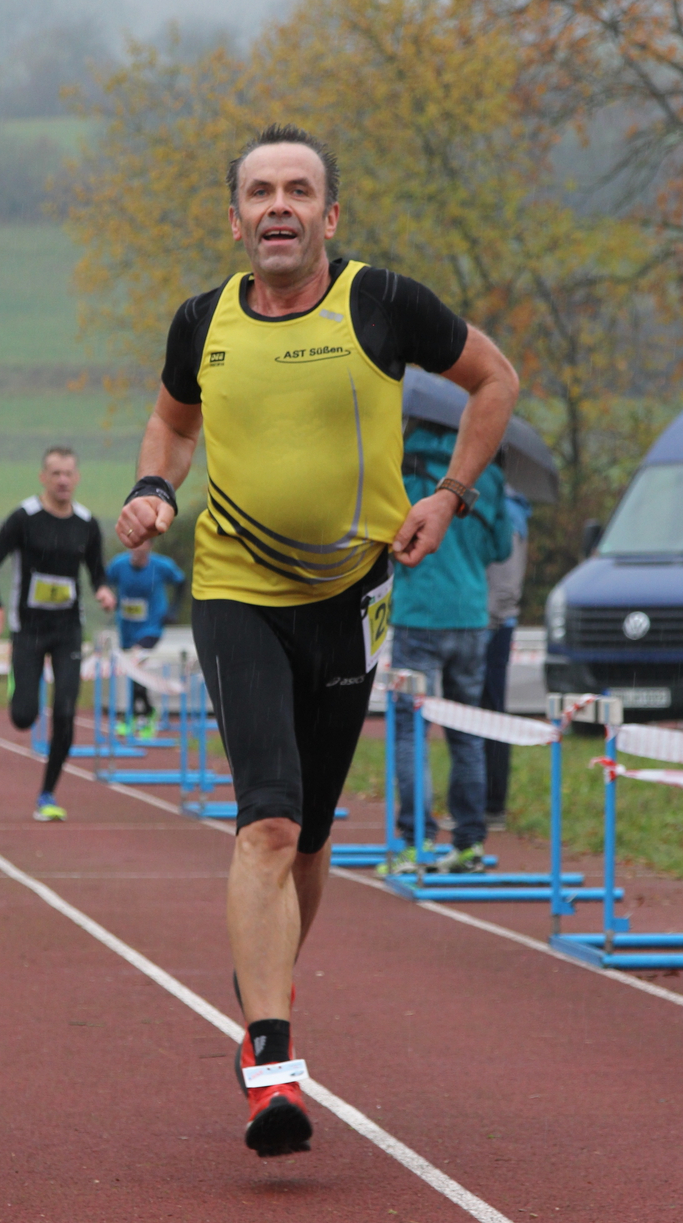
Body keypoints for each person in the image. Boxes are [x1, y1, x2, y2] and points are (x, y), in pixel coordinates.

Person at [116, 122, 518, 1158]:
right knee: (269, 822)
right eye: (261, 192)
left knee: (313, 839)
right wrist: (155, 486)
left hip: (352, 599)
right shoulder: (201, 321)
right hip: (236, 590)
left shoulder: (382, 302)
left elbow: (496, 381)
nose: (279, 206)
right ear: (237, 219)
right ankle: (271, 1065)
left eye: (299, 190)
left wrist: (451, 495)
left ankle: (269, 981)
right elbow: (174, 425)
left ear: (329, 215)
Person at [386, 423, 512, 874]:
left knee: (409, 730)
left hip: (418, 613)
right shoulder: (487, 473)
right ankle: (470, 843)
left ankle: (416, 841)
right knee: (467, 731)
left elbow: (387, 539)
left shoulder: (402, 469)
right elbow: (501, 547)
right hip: (471, 615)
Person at [0, 448, 115, 821]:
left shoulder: (86, 523)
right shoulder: (24, 518)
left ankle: (47, 793)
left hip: (67, 629)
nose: (63, 480)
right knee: (24, 716)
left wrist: (103, 590)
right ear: (43, 478)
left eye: (68, 473)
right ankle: (19, 683)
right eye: (56, 473)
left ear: (77, 478)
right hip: (29, 629)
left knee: (66, 711)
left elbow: (97, 571)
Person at [481, 483, 532, 828]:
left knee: (491, 712)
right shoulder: (504, 506)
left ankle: (493, 803)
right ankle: (485, 801)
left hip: (493, 626)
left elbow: (505, 586)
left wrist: (486, 626)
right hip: (491, 622)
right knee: (482, 712)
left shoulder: (507, 512)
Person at [105, 537, 185, 734]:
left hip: (151, 628)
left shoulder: (162, 566)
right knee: (134, 673)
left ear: (150, 546)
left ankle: (139, 715)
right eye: (134, 544)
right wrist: (108, 598)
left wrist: (173, 610)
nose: (138, 548)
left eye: (142, 543)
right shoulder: (118, 565)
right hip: (126, 629)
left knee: (135, 662)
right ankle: (144, 713)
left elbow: (181, 582)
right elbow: (102, 583)